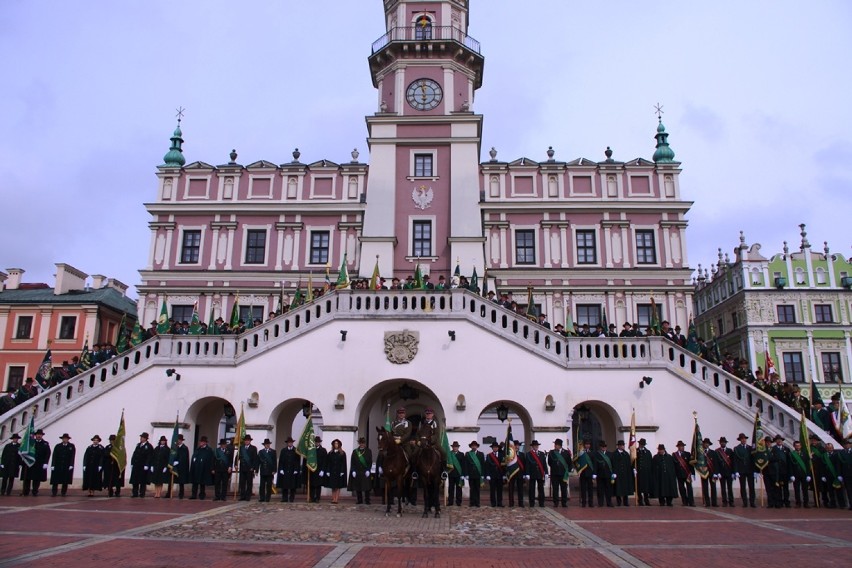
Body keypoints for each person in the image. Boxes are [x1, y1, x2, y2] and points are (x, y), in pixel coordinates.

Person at [767, 434, 791, 508]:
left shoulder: (786, 449)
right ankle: (779, 502)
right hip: (777, 472)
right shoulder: (773, 449)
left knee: (786, 488)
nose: (779, 441)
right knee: (778, 488)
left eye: (780, 439)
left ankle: (786, 502)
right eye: (777, 440)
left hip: (785, 471)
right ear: (775, 441)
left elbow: (789, 461)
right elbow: (770, 459)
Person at [732, 433, 755, 508]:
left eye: (744, 438)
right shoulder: (737, 448)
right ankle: (745, 502)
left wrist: (756, 470)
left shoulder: (750, 448)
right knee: (743, 487)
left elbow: (753, 460)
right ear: (740, 440)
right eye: (742, 439)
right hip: (741, 470)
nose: (744, 440)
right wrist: (736, 471)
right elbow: (735, 461)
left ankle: (752, 502)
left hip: (750, 469)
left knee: (751, 486)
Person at [548, 438, 572, 507]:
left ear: (560, 445)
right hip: (555, 474)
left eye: (556, 445)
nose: (555, 446)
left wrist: (568, 470)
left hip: (563, 474)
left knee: (563, 488)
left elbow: (569, 463)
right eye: (555, 445)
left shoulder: (566, 452)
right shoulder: (552, 452)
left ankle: (564, 502)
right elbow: (549, 462)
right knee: (555, 489)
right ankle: (556, 502)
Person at [349, 437, 373, 505]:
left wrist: (368, 470)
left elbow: (370, 462)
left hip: (365, 471)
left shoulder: (368, 451)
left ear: (365, 443)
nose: (362, 444)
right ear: (359, 443)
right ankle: (359, 500)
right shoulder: (355, 451)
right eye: (360, 443)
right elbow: (352, 462)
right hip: (358, 471)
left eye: (363, 443)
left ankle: (367, 500)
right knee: (358, 487)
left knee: (367, 487)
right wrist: (353, 470)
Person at [276, 436, 300, 503]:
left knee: (293, 486)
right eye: (289, 442)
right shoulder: (283, 450)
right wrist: (281, 469)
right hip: (285, 470)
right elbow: (281, 460)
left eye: (291, 442)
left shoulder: (296, 450)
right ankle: (284, 498)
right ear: (287, 443)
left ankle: (291, 498)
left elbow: (297, 461)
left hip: (293, 470)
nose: (290, 443)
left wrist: (296, 469)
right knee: (284, 485)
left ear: (292, 443)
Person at [129, 432, 153, 498]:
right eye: (141, 437)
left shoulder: (148, 446)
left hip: (143, 465)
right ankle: (135, 493)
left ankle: (142, 493)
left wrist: (147, 464)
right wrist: (132, 463)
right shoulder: (138, 445)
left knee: (142, 480)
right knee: (135, 480)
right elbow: (134, 454)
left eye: (142, 437)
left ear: (145, 439)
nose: (141, 438)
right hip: (136, 465)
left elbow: (149, 456)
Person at [525, 440, 548, 508]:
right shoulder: (529, 454)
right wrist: (527, 473)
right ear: (532, 446)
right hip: (532, 473)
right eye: (534, 446)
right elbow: (527, 464)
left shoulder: (541, 454)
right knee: (531, 489)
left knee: (541, 489)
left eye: (537, 446)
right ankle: (531, 503)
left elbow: (544, 464)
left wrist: (546, 472)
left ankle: (541, 502)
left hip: (540, 473)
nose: (536, 447)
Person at [611, 439, 633, 506]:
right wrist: (613, 472)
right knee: (618, 488)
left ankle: (625, 502)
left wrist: (632, 470)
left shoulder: (626, 454)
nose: (622, 446)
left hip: (625, 474)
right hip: (618, 473)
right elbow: (613, 464)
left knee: (625, 488)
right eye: (621, 445)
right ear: (618, 446)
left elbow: (629, 464)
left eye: (623, 445)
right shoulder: (614, 454)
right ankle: (619, 502)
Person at [790, 439, 811, 508]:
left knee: (805, 489)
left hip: (804, 474)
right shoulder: (792, 454)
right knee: (796, 489)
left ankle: (806, 503)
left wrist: (808, 474)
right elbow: (790, 465)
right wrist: (792, 475)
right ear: (794, 446)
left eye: (799, 446)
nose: (798, 447)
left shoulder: (805, 454)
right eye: (796, 446)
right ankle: (798, 503)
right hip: (796, 474)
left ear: (801, 446)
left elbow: (808, 465)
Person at [574, 439, 595, 508]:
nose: (587, 445)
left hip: (590, 473)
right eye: (586, 444)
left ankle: (590, 502)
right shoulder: (581, 452)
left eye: (588, 444)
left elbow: (594, 464)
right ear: (584, 445)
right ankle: (583, 502)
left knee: (590, 489)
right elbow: (576, 461)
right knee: (583, 488)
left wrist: (594, 473)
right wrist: (578, 468)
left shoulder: (592, 453)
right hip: (583, 472)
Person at [672, 440, 694, 506]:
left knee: (689, 488)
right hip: (679, 474)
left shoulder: (688, 454)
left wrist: (692, 473)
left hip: (687, 474)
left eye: (682, 446)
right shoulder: (674, 455)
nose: (682, 447)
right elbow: (673, 465)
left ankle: (691, 502)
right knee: (681, 489)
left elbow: (691, 465)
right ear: (678, 447)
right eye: (680, 446)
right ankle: (684, 501)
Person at [714, 436, 735, 507]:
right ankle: (724, 501)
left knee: (730, 488)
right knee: (723, 488)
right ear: (720, 443)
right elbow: (716, 463)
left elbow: (733, 462)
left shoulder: (730, 451)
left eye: (724, 442)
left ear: (726, 443)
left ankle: (731, 501)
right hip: (721, 473)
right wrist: (717, 473)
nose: (723, 443)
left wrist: (733, 472)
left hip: (729, 472)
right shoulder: (717, 451)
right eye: (721, 442)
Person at [325, 439, 347, 504]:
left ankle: (336, 499)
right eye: (335, 443)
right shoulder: (330, 453)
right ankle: (333, 498)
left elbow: (343, 463)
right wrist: (328, 471)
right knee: (333, 486)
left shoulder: (342, 453)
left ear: (339, 445)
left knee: (338, 486)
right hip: (332, 471)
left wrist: (342, 471)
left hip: (339, 471)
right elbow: (328, 462)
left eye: (337, 443)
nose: (336, 445)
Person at [593, 441, 614, 508]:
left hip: (608, 474)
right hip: (600, 474)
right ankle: (600, 503)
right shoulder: (597, 454)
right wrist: (594, 473)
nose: (604, 448)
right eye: (602, 447)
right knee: (600, 489)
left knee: (608, 489)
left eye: (605, 447)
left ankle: (609, 502)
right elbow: (595, 464)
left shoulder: (610, 454)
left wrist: (613, 473)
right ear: (600, 447)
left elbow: (613, 464)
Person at [238, 434, 258, 501]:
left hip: (250, 468)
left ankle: (248, 496)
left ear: (250, 441)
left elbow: (255, 458)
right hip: (242, 467)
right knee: (242, 483)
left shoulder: (253, 448)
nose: (246, 441)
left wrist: (253, 467)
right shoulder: (241, 447)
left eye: (248, 440)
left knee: (249, 483)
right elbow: (238, 456)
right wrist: (235, 464)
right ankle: (242, 496)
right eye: (246, 440)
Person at [169, 434, 190, 499]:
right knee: (171, 481)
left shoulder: (184, 448)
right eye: (177, 440)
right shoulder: (175, 447)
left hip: (181, 467)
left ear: (181, 440)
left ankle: (181, 494)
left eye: (179, 440)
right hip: (175, 467)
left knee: (181, 482)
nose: (178, 441)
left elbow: (184, 457)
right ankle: (169, 493)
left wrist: (178, 461)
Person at [464, 441, 484, 507]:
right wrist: (466, 474)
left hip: (478, 474)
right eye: (472, 446)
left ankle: (477, 502)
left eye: (475, 446)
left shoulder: (481, 454)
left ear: (477, 446)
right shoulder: (468, 454)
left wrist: (482, 474)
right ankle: (472, 502)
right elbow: (466, 464)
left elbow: (483, 464)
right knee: (472, 489)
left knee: (477, 489)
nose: (474, 447)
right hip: (471, 474)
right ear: (471, 446)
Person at [484, 441, 503, 507]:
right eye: (494, 447)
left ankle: (499, 502)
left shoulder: (501, 455)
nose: (495, 448)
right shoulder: (489, 455)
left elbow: (504, 466)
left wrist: (504, 475)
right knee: (492, 490)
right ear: (492, 448)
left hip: (500, 475)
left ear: (498, 448)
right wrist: (487, 474)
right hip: (492, 475)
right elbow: (487, 466)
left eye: (496, 447)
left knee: (500, 490)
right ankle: (493, 503)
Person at [257, 438, 276, 503]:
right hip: (263, 470)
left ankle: (268, 498)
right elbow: (258, 462)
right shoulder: (261, 452)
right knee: (262, 485)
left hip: (270, 471)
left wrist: (274, 470)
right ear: (264, 445)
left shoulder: (273, 451)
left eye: (268, 444)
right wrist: (256, 470)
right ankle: (262, 497)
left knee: (269, 485)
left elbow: (274, 462)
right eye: (266, 444)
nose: (267, 445)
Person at [506, 439, 525, 508]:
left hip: (520, 474)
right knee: (511, 488)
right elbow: (507, 464)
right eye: (515, 445)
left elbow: (524, 465)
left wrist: (525, 474)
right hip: (512, 474)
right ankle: (511, 503)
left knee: (520, 489)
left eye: (518, 445)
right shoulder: (510, 455)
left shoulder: (522, 455)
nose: (517, 447)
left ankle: (521, 502)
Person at [700, 438, 718, 507]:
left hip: (712, 472)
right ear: (703, 444)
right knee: (705, 488)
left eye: (708, 443)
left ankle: (714, 502)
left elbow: (716, 463)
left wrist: (716, 472)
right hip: (704, 472)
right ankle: (707, 502)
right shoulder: (701, 453)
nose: (706, 444)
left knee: (713, 487)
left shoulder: (713, 453)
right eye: (705, 443)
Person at [635, 438, 653, 506]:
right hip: (638, 472)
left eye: (643, 444)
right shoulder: (635, 451)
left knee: (646, 487)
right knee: (639, 487)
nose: (641, 445)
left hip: (646, 473)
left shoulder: (648, 452)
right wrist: (634, 469)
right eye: (640, 444)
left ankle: (646, 500)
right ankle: (640, 500)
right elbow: (633, 461)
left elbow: (650, 462)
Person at [446, 441, 465, 506]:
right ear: (452, 447)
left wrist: (463, 474)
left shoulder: (461, 454)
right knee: (450, 488)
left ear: (458, 447)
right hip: (451, 473)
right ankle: (450, 501)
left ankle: (458, 502)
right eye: (454, 447)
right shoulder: (449, 454)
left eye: (456, 447)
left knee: (459, 488)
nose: (455, 448)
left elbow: (463, 465)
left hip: (459, 474)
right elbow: (447, 463)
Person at [310, 436, 327, 503]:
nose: (317, 443)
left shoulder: (323, 450)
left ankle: (317, 498)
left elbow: (325, 461)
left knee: (318, 485)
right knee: (312, 485)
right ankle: (312, 497)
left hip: (319, 470)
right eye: (316, 442)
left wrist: (323, 470)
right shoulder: (311, 450)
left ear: (320, 442)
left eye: (318, 442)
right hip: (312, 469)